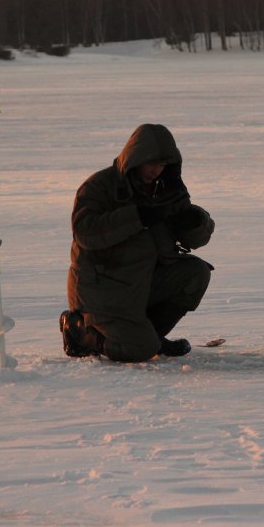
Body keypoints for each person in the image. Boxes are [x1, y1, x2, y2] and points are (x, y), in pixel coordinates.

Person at [60, 123, 214, 361]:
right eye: (152, 164)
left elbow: (195, 240)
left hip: (141, 283)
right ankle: (81, 332)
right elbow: (85, 233)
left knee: (195, 273)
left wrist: (194, 222)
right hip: (102, 290)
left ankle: (149, 334)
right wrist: (137, 217)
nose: (156, 170)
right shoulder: (99, 187)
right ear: (135, 158)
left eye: (162, 165)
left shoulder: (165, 188)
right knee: (140, 350)